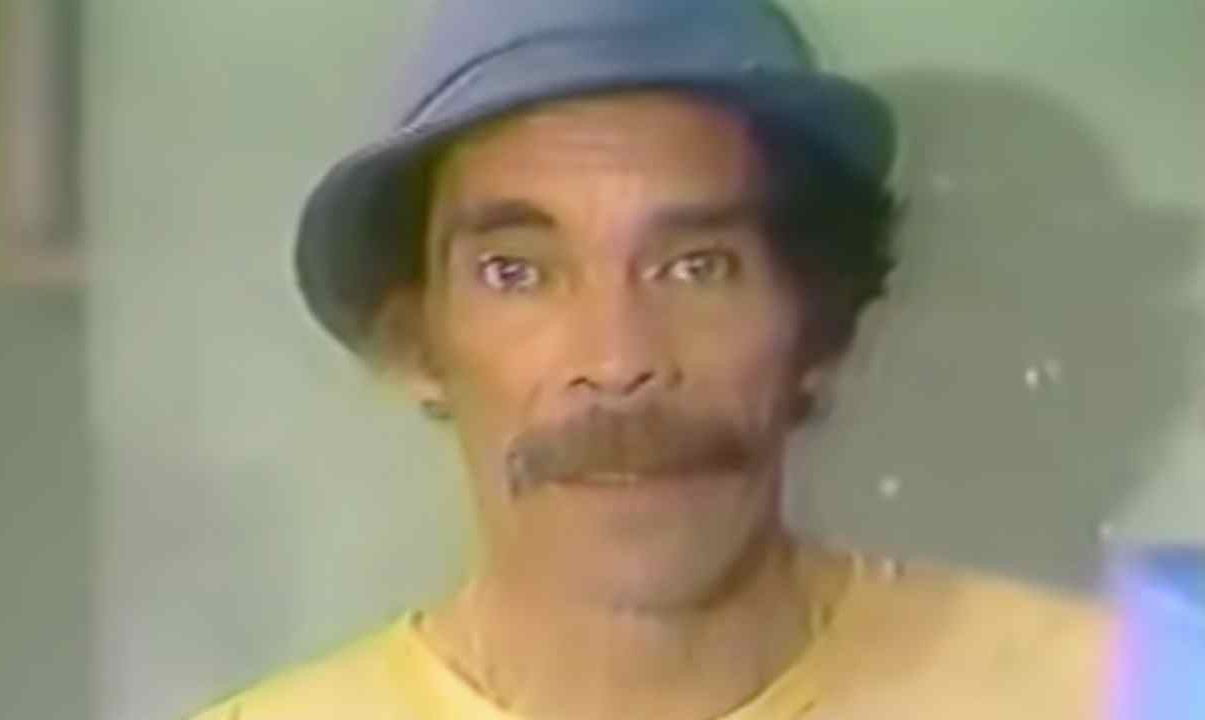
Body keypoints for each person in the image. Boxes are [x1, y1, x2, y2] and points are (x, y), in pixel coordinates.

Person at [194, 1, 1108, 717]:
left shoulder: (1106, 695)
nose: (618, 360)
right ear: (416, 344)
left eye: (697, 267)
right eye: (517, 272)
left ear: (820, 327)